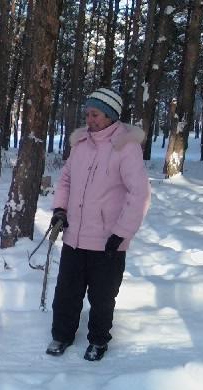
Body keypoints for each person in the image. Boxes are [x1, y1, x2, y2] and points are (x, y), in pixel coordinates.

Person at [46, 87, 151, 361]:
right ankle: (62, 335)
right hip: (74, 236)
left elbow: (139, 193)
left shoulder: (125, 147)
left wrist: (122, 233)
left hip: (108, 240)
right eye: (87, 114)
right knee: (66, 292)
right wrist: (59, 209)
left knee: (102, 297)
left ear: (110, 116)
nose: (89, 119)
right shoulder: (80, 143)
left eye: (94, 114)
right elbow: (67, 180)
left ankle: (98, 340)